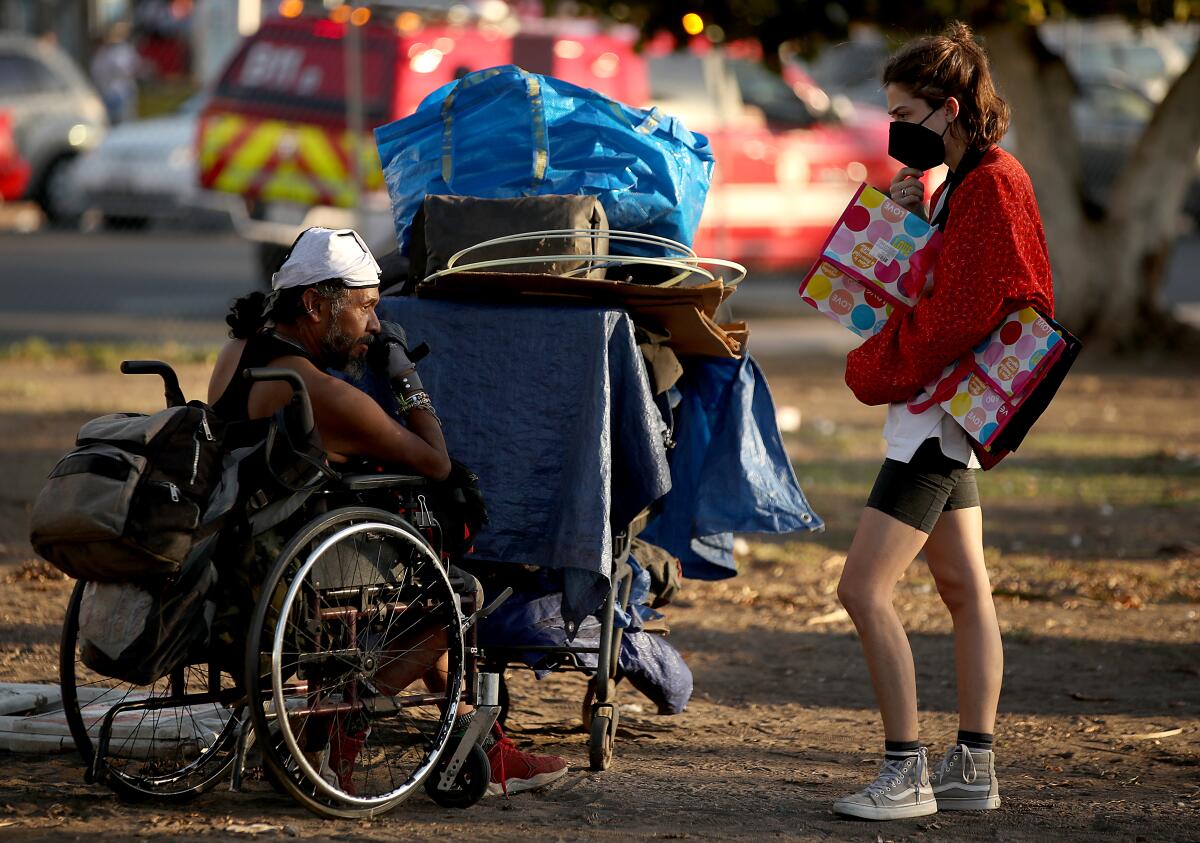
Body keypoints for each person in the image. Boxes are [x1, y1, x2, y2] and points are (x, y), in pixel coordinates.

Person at [208, 226, 569, 797]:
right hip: (289, 575)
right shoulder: (315, 388)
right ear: (314, 304)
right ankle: (348, 719)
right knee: (461, 594)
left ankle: (480, 741)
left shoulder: (237, 354)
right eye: (366, 307)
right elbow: (434, 461)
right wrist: (403, 372)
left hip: (231, 559)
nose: (374, 325)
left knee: (416, 557)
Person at [830, 23, 1055, 821]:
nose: (893, 129)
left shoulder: (991, 184)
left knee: (861, 588)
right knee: (964, 590)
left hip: (935, 421)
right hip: (948, 417)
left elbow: (958, 314)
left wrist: (873, 367)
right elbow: (948, 283)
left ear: (947, 107)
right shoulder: (969, 179)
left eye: (902, 112)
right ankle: (973, 767)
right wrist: (912, 214)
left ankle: (906, 771)